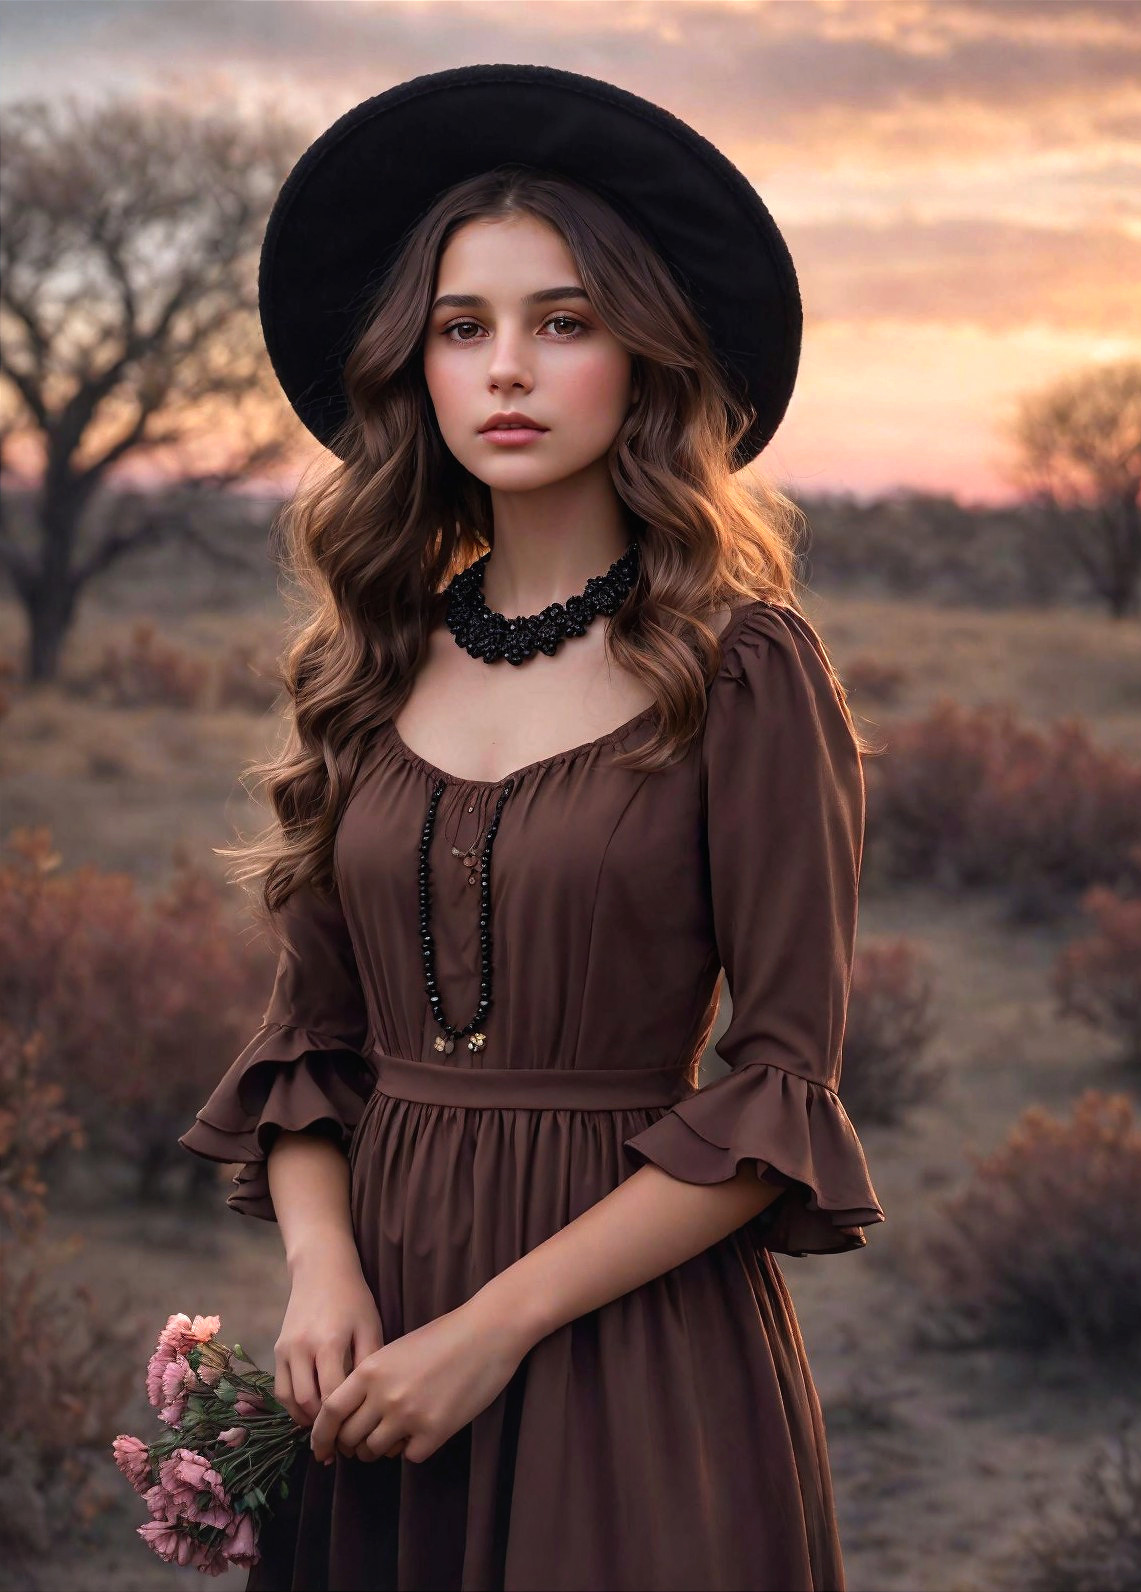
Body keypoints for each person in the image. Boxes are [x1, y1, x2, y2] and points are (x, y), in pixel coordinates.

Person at [179, 63, 886, 1592]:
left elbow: (779, 1091)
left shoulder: (743, 669)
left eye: (562, 322)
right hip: (374, 1350)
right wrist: (322, 1276)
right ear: (413, 367)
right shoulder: (365, 665)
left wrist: (492, 1333)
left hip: (625, 1345)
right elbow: (310, 1046)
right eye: (462, 326)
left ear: (643, 357)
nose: (507, 367)